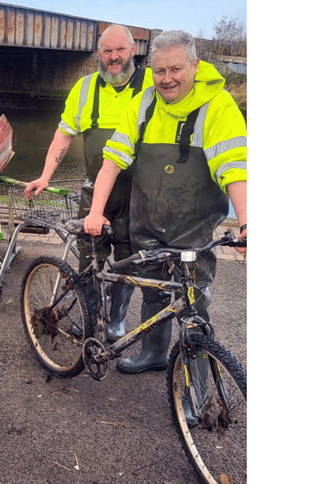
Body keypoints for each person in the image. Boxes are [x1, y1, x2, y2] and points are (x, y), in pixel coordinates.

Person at [83, 29, 247, 374]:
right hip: (148, 223)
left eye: (176, 69)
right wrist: (96, 211)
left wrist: (245, 222)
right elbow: (112, 161)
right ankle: (153, 354)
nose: (167, 79)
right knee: (154, 296)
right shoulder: (143, 103)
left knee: (194, 308)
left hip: (194, 231)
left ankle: (195, 393)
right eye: (160, 71)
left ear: (195, 66)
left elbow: (234, 167)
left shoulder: (218, 106)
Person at [24, 24, 153, 342]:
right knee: (87, 259)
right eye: (107, 51)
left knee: (127, 260)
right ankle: (91, 316)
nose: (114, 57)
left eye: (120, 49)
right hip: (94, 190)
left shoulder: (153, 85)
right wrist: (45, 175)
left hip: (138, 195)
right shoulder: (84, 88)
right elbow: (63, 135)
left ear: (133, 49)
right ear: (99, 54)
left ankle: (116, 320)